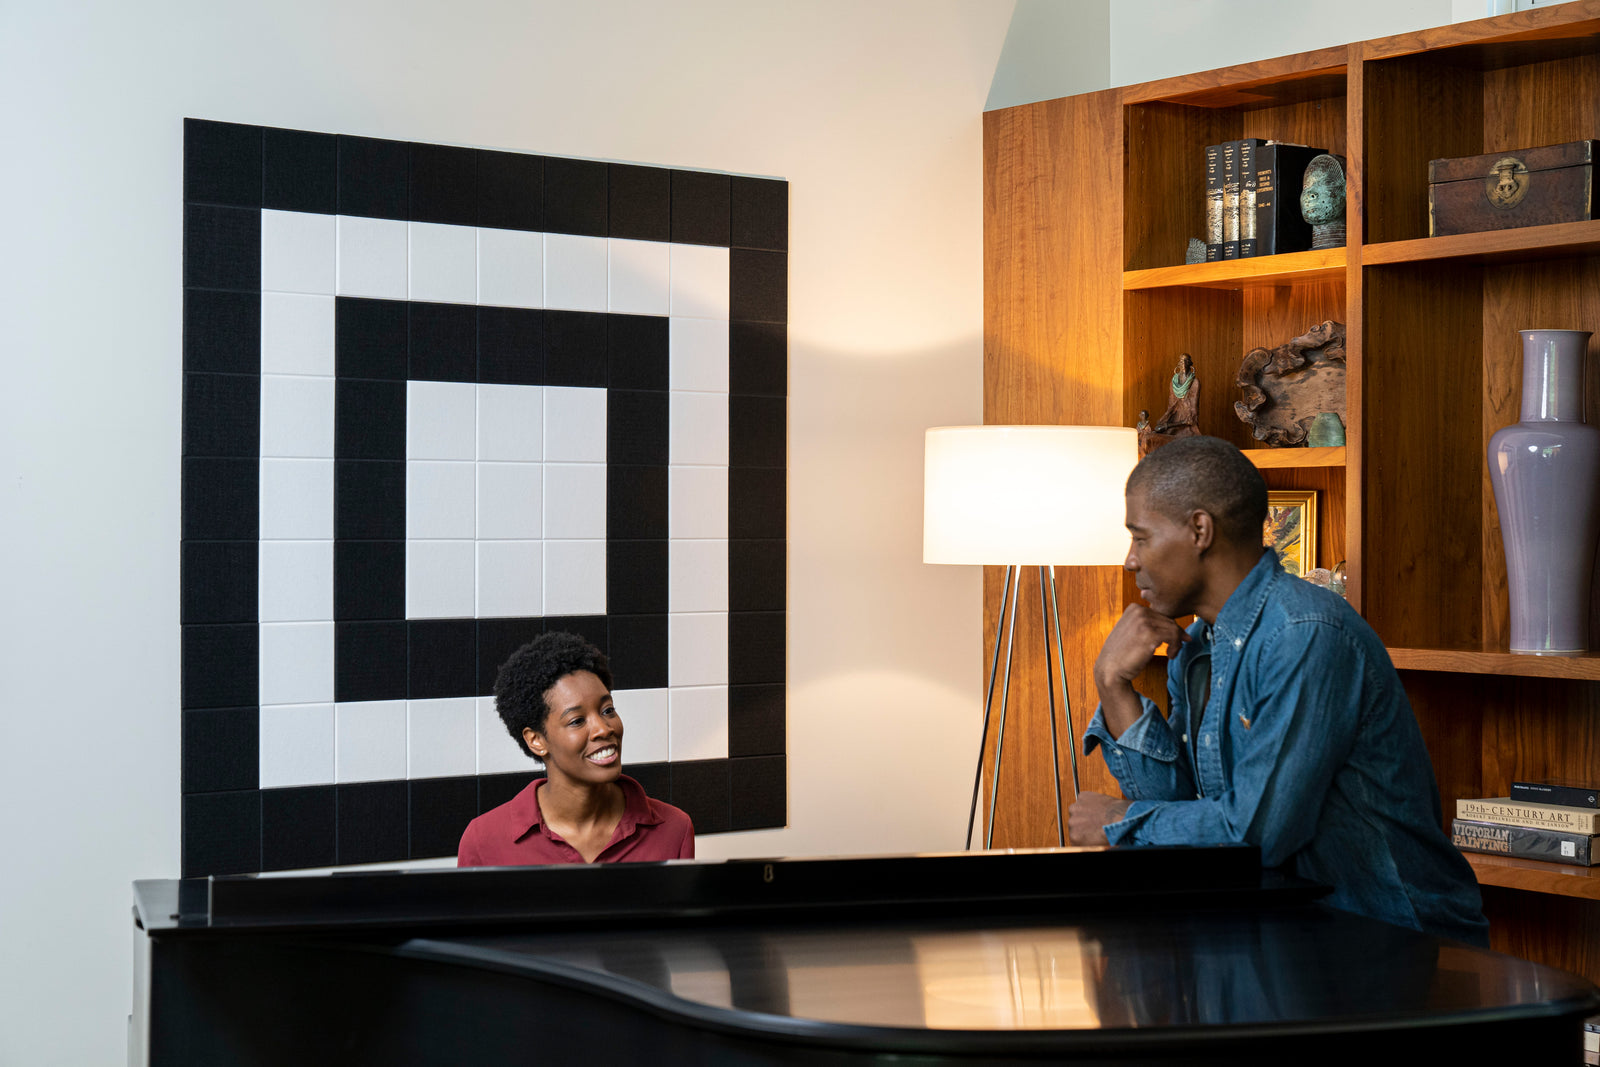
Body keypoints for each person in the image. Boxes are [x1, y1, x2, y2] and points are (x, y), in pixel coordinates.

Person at [1067, 436, 1488, 945]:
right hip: (1283, 931)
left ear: (1200, 530)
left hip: (1392, 944)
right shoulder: (1200, 643)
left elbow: (1256, 837)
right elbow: (1176, 813)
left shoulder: (1304, 635)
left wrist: (1118, 820)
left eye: (1141, 537)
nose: (1130, 561)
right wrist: (1113, 685)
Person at [458, 631, 694, 866]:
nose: (603, 729)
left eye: (607, 710)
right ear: (536, 740)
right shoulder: (483, 840)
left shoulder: (674, 830)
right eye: (577, 721)